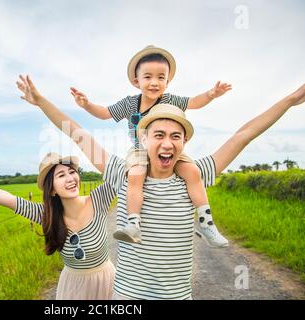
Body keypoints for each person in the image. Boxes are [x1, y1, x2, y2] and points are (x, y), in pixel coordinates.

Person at [16, 73, 305, 299]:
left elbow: (244, 134)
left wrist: (291, 100)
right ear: (143, 140)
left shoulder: (194, 175)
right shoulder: (124, 174)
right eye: (158, 134)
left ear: (184, 143)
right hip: (128, 296)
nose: (167, 142)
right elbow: (77, 133)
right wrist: (41, 101)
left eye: (176, 136)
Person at [70, 45, 232, 247]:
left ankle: (207, 223)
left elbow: (194, 102)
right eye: (148, 77)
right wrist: (86, 105)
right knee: (135, 175)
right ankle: (133, 223)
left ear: (168, 81)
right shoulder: (130, 104)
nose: (154, 82)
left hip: (170, 149)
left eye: (161, 77)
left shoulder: (170, 100)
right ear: (137, 81)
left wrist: (211, 94)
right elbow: (104, 113)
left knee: (192, 171)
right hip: (140, 150)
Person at [0, 152, 117, 300]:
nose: (70, 178)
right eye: (61, 175)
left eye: (72, 172)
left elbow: (124, 173)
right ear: (51, 189)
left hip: (106, 282)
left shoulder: (98, 199)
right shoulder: (46, 215)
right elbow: (7, 199)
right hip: (73, 287)